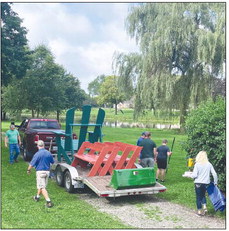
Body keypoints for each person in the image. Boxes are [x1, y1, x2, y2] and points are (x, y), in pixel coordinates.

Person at [27, 140, 54, 208]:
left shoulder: (37, 154)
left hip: (40, 172)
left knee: (42, 187)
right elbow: (52, 162)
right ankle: (37, 197)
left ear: (38, 146)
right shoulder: (48, 153)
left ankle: (49, 202)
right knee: (42, 186)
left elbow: (31, 164)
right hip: (47, 172)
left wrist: (28, 170)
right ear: (44, 145)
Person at [191, 151, 218, 216]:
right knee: (203, 195)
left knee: (198, 197)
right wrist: (215, 182)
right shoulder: (209, 164)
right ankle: (204, 206)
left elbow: (194, 175)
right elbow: (214, 174)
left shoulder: (197, 164)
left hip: (198, 183)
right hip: (206, 183)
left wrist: (190, 175)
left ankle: (199, 211)